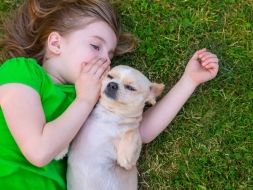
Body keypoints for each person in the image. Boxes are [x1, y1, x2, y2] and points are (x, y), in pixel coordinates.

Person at [0, 0, 219, 189]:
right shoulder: (21, 71)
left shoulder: (93, 97)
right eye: (96, 46)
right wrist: (84, 99)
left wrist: (189, 81)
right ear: (56, 43)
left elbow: (140, 130)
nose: (105, 60)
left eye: (110, 56)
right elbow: (39, 151)